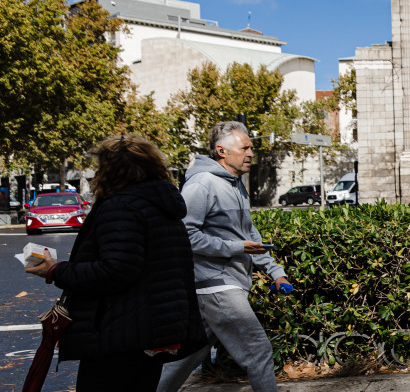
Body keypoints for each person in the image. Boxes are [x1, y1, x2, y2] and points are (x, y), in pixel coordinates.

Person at [24, 134, 206, 391]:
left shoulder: (121, 206)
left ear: (109, 170)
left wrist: (56, 270)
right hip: (158, 329)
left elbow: (115, 270)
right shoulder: (163, 206)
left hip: (120, 332)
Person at [158, 121, 293, 392]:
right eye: (245, 148)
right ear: (222, 151)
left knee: (191, 356)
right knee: (258, 352)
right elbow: (186, 234)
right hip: (216, 285)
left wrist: (275, 270)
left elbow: (247, 233)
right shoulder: (202, 184)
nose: (251, 153)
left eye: (251, 147)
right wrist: (236, 248)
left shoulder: (235, 184)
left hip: (224, 283)